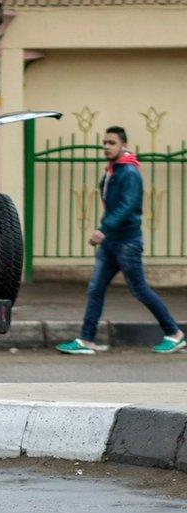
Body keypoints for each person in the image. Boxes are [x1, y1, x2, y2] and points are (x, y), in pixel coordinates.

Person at [57, 126, 185, 355]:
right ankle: (86, 340)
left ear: (123, 145)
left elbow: (128, 206)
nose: (106, 146)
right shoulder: (113, 170)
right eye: (104, 143)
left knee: (140, 291)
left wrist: (103, 229)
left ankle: (174, 334)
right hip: (110, 244)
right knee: (95, 289)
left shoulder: (129, 172)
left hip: (127, 243)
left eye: (111, 143)